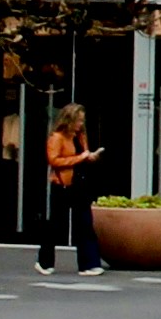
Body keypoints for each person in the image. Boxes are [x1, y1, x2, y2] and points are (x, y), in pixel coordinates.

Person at [41, 103, 100, 274]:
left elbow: (82, 155)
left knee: (85, 223)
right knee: (56, 224)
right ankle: (45, 261)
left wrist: (89, 157)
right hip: (63, 184)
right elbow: (54, 160)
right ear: (69, 120)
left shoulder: (80, 136)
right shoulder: (57, 137)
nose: (81, 124)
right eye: (78, 121)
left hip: (80, 183)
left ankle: (88, 263)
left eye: (82, 121)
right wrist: (79, 158)